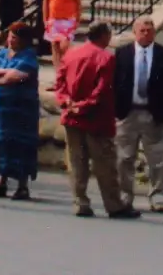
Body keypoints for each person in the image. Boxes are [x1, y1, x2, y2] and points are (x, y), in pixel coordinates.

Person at [55, 21, 139, 220]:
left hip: (72, 117)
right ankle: (113, 204)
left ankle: (80, 202)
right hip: (96, 119)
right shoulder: (105, 58)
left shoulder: (71, 54)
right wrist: (83, 105)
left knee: (77, 162)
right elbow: (101, 90)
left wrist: (68, 103)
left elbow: (59, 82)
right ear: (104, 36)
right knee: (105, 165)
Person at [114, 15, 163, 213]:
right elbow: (115, 82)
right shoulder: (122, 53)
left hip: (153, 113)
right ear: (135, 32)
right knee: (124, 158)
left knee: (157, 159)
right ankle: (124, 195)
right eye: (142, 30)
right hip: (128, 112)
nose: (146, 34)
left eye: (150, 31)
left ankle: (158, 196)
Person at [0, 22, 40, 200]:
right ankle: (0, 183)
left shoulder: (29, 56)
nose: (10, 40)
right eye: (9, 36)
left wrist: (1, 77)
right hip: (1, 110)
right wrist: (4, 71)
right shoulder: (2, 53)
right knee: (2, 145)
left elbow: (16, 77)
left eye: (14, 37)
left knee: (21, 146)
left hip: (21, 112)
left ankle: (22, 186)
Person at [42, 0, 83, 70]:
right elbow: (45, 1)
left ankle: (67, 70)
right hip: (53, 18)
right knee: (55, 48)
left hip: (68, 19)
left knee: (64, 47)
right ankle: (58, 75)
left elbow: (78, 2)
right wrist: (45, 19)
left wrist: (78, 19)